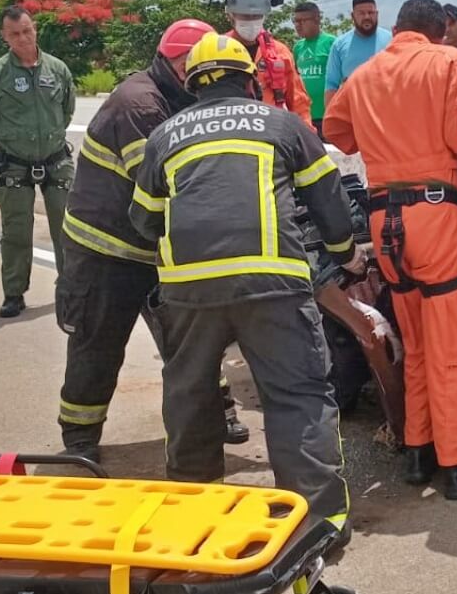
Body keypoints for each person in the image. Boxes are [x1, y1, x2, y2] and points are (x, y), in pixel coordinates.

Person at [130, 32, 367, 533]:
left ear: (192, 85)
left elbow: (144, 220)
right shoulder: (283, 124)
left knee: (190, 396)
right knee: (297, 396)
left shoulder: (166, 135)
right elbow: (329, 203)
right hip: (274, 283)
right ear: (250, 80)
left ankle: (194, 516)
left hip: (190, 290)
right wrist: (345, 257)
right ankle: (319, 524)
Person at [56, 19, 249, 464]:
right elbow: (165, 183)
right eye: (201, 66)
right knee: (98, 343)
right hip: (107, 250)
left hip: (158, 245)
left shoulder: (185, 96)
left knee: (193, 339)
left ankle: (216, 416)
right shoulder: (140, 104)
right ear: (179, 62)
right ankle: (80, 435)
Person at [323, 0, 457, 500]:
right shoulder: (450, 61)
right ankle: (456, 467)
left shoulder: (365, 74)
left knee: (413, 344)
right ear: (438, 32)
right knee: (451, 348)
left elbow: (336, 133)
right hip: (437, 215)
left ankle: (417, 453)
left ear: (397, 29)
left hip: (383, 221)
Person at [0, 5, 76, 319]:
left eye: (27, 31)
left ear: (35, 30)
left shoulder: (58, 69)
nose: (22, 38)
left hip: (56, 159)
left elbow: (67, 110)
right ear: (4, 36)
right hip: (15, 162)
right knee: (17, 230)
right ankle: (14, 293)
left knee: (68, 228)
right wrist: (15, 142)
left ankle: (71, 288)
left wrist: (49, 138)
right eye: (15, 33)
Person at [224, 0, 313, 125]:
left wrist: (308, 139)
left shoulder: (280, 52)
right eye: (245, 16)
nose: (251, 21)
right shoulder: (216, 51)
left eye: (256, 16)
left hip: (272, 134)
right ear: (230, 15)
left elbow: (298, 103)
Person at [324, 0, 391, 106]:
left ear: (377, 14)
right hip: (352, 112)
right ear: (353, 16)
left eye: (371, 13)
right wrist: (330, 118)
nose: (367, 17)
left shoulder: (392, 40)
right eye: (361, 13)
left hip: (386, 111)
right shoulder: (339, 45)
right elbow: (331, 84)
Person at [292, 1, 337, 135]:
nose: (297, 25)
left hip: (327, 116)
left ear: (317, 19)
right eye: (295, 21)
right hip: (304, 117)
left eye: (302, 21)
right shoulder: (297, 48)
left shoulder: (332, 43)